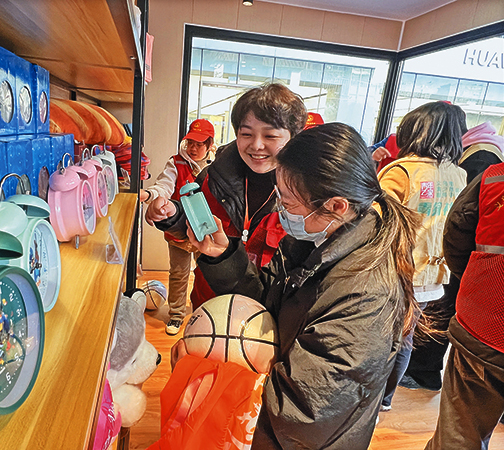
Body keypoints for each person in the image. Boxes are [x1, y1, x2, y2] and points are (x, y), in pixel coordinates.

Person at [181, 122, 421, 449]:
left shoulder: (366, 294)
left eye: (288, 202)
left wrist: (205, 376)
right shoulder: (311, 240)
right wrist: (223, 255)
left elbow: (306, 412)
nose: (280, 209)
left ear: (336, 205)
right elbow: (266, 299)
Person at [145, 83, 308, 314]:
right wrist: (172, 214)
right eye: (246, 134)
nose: (257, 145)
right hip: (209, 303)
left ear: (293, 137)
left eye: (270, 135)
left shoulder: (306, 195)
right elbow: (195, 226)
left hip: (265, 315)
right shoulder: (214, 177)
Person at [377, 101, 467, 411]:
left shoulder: (402, 171)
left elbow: (376, 219)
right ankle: (385, 399)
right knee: (406, 335)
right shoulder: (458, 175)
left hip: (397, 269)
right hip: (434, 274)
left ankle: (375, 399)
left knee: (382, 337)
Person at [425, 161, 504, 449]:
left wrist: (478, 280)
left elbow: (455, 235)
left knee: (459, 433)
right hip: (485, 323)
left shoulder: (495, 177)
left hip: (486, 323)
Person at [140, 118, 216, 335]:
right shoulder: (176, 163)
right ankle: (176, 314)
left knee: (207, 274)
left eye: (199, 144)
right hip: (180, 231)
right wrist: (150, 195)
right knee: (179, 273)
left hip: (206, 231)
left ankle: (204, 312)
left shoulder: (217, 166)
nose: (193, 148)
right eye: (190, 142)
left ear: (209, 145)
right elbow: (164, 185)